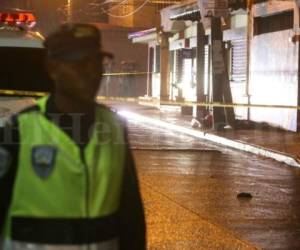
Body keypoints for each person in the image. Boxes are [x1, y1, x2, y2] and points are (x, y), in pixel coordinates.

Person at [0, 23, 146, 250]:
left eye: (97, 62)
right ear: (53, 68)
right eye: (79, 63)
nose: (91, 72)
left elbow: (130, 215)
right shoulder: (18, 130)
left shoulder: (114, 128)